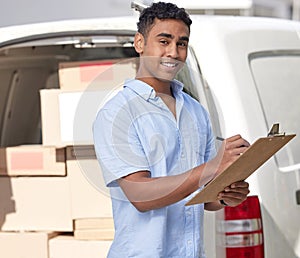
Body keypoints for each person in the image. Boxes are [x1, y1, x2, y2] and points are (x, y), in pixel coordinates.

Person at [93, 2, 250, 257]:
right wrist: (212, 167)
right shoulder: (118, 113)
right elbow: (140, 195)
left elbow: (201, 194)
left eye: (182, 43)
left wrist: (224, 196)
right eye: (164, 41)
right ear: (140, 43)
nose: (174, 53)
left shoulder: (195, 111)